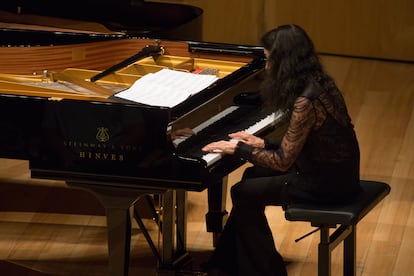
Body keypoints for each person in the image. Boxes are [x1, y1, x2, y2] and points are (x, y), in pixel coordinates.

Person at [201, 24, 361, 276]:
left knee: (242, 192)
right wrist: (262, 143)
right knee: (252, 177)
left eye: (268, 60)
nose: (266, 67)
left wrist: (238, 149)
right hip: (337, 174)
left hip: (325, 186)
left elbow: (282, 162)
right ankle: (227, 264)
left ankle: (266, 271)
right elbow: (313, 142)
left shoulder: (305, 101)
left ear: (284, 62)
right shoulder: (321, 83)